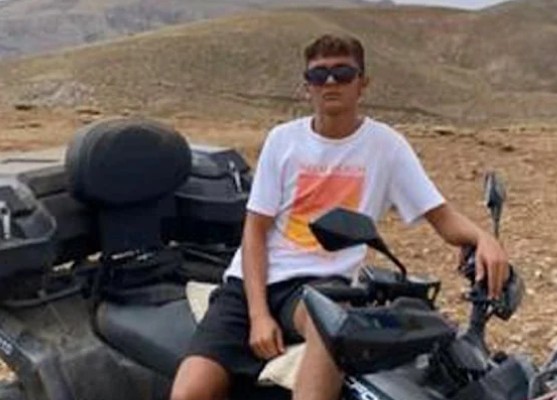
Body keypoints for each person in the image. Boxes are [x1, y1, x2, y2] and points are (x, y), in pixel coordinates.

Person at [171, 33, 509, 400]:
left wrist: (483, 239)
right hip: (251, 283)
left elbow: (441, 216)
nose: (330, 82)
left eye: (343, 73)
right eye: (319, 75)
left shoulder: (386, 146)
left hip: (321, 286)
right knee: (190, 391)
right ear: (307, 88)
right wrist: (258, 316)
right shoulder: (283, 140)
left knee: (332, 329)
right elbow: (255, 231)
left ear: (362, 84)